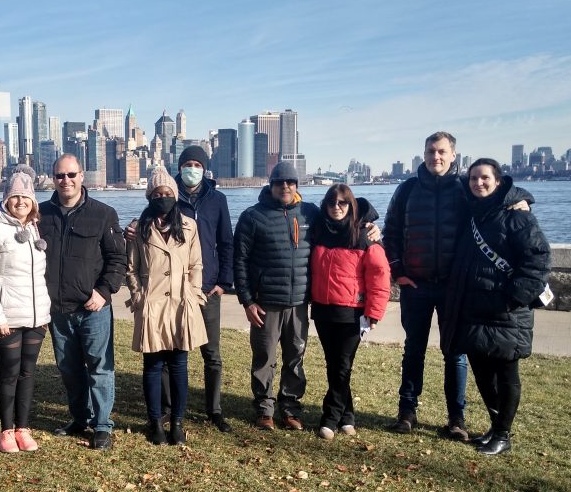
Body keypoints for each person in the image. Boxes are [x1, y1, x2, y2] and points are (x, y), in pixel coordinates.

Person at [384, 132, 530, 440]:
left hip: (455, 288)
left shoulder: (466, 188)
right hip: (416, 285)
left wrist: (523, 201)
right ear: (423, 154)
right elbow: (392, 232)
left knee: (456, 354)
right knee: (414, 350)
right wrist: (398, 271)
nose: (435, 157)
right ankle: (407, 413)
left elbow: (501, 194)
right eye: (430, 151)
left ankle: (456, 419)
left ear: (453, 155)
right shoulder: (407, 190)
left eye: (441, 152)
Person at [441, 159, 551, 455]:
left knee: (506, 374)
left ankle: (503, 435)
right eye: (474, 178)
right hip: (474, 309)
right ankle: (495, 425)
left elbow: (537, 259)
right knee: (481, 372)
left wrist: (514, 299)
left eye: (485, 178)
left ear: (499, 181)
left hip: (506, 311)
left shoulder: (518, 217)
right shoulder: (473, 214)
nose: (479, 183)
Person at [125, 146, 234, 432]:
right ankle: (165, 413)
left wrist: (220, 284)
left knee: (210, 354)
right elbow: (134, 261)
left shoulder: (217, 200)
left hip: (200, 292)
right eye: (188, 164)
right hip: (158, 297)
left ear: (204, 168)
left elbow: (225, 243)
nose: (192, 168)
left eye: (198, 164)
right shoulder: (165, 204)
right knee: (161, 356)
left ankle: (214, 410)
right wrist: (138, 295)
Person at [38, 155, 126, 451]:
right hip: (58, 308)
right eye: (60, 176)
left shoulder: (103, 214)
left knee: (100, 367)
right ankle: (80, 418)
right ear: (53, 178)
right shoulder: (41, 215)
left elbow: (117, 259)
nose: (66, 180)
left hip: (94, 308)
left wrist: (104, 291)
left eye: (71, 174)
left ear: (82, 176)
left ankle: (102, 426)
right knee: (69, 368)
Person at [233, 161, 319, 430]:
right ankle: (264, 410)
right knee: (264, 358)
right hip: (265, 302)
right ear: (270, 185)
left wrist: (369, 227)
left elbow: (343, 223)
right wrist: (247, 300)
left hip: (299, 302)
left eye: (290, 182)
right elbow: (240, 261)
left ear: (296, 185)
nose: (285, 186)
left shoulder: (310, 214)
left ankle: (290, 408)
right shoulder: (252, 216)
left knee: (295, 356)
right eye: (280, 182)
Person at [126, 167, 208, 446]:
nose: (163, 197)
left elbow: (196, 264)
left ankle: (177, 422)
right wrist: (138, 296)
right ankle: (155, 421)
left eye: (167, 193)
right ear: (150, 196)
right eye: (158, 193)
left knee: (179, 365)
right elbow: (131, 268)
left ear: (175, 195)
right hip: (151, 303)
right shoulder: (139, 228)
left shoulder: (189, 226)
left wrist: (194, 294)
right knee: (152, 364)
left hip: (181, 303)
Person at [0, 166, 51, 453]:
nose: (21, 202)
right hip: (5, 318)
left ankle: (23, 427)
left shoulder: (32, 229)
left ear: (33, 202)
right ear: (6, 200)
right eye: (15, 197)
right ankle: (6, 430)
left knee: (28, 373)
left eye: (26, 198)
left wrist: (43, 315)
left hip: (34, 317)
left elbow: (37, 277)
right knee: (9, 373)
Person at [308, 185, 391, 439]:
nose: (337, 207)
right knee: (335, 365)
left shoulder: (364, 235)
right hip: (323, 311)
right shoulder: (318, 230)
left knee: (342, 365)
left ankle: (330, 418)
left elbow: (380, 275)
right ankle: (348, 416)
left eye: (343, 202)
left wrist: (374, 312)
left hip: (352, 313)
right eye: (332, 202)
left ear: (351, 205)